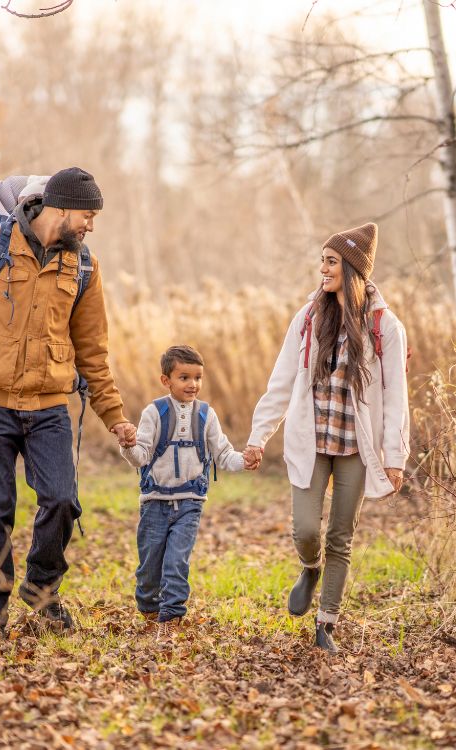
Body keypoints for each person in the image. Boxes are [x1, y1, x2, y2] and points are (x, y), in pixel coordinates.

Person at [0, 167, 137, 646]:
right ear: (59, 209)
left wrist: (115, 417)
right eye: (88, 215)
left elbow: (93, 351)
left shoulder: (84, 267)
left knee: (63, 500)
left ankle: (41, 590)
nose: (91, 226)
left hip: (49, 407)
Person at [244, 222, 410, 653]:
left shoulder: (385, 326)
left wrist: (395, 456)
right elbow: (280, 380)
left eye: (331, 261)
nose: (322, 268)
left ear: (353, 269)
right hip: (312, 440)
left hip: (357, 446)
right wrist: (259, 436)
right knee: (305, 530)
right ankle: (309, 567)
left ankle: (326, 625)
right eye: (322, 260)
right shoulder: (308, 317)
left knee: (341, 535)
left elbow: (397, 397)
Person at [120, 345, 248, 635]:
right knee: (150, 566)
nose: (193, 384)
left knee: (177, 561)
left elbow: (224, 454)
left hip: (190, 501)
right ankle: (150, 609)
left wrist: (245, 461)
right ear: (166, 380)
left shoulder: (206, 415)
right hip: (154, 502)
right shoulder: (155, 412)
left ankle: (171, 618)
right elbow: (140, 457)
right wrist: (127, 445)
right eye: (184, 377)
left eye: (198, 378)